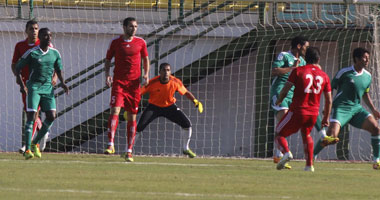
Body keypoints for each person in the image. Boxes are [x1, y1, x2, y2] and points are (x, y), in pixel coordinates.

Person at [313, 47, 380, 169]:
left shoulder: (368, 76)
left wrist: (373, 109)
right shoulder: (344, 72)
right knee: (331, 136)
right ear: (356, 59)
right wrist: (328, 106)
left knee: (376, 128)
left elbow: (365, 93)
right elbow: (329, 88)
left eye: (368, 58)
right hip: (341, 109)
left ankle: (377, 161)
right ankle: (312, 156)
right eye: (365, 58)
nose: (367, 60)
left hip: (356, 109)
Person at [270, 36, 325, 169]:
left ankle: (280, 155)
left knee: (286, 125)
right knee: (283, 119)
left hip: (295, 96)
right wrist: (291, 69)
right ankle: (281, 154)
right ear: (299, 47)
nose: (307, 50)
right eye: (306, 47)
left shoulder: (304, 62)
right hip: (280, 92)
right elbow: (274, 71)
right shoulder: (284, 56)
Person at [15, 28, 69, 159]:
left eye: (50, 35)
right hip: (34, 87)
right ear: (40, 37)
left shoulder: (55, 53)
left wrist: (62, 82)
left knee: (51, 116)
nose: (49, 38)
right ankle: (27, 149)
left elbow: (59, 69)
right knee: (31, 116)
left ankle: (35, 143)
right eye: (45, 35)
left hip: (48, 88)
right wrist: (22, 86)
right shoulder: (32, 53)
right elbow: (18, 68)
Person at [104, 17, 150, 162]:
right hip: (119, 83)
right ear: (124, 27)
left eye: (135, 26)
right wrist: (107, 75)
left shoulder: (141, 42)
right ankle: (110, 144)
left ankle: (129, 150)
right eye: (131, 26)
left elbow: (145, 59)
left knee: (132, 116)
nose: (134, 29)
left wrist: (146, 74)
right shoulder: (116, 43)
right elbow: (107, 60)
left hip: (134, 86)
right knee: (115, 110)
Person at [136, 63, 203, 158]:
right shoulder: (152, 82)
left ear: (170, 72)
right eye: (164, 70)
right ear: (159, 72)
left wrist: (195, 101)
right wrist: (129, 107)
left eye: (168, 70)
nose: (166, 72)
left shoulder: (175, 81)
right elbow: (138, 94)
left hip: (169, 107)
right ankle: (128, 150)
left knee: (187, 124)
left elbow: (186, 92)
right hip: (153, 107)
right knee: (139, 128)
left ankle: (186, 148)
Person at [12, 20, 57, 153]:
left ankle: (28, 145)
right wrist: (18, 78)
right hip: (27, 85)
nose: (34, 31)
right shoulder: (20, 46)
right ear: (26, 31)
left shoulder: (45, 44)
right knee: (30, 113)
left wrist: (54, 78)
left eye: (36, 28)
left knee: (35, 113)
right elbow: (14, 65)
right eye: (31, 29)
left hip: (43, 85)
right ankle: (43, 131)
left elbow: (55, 62)